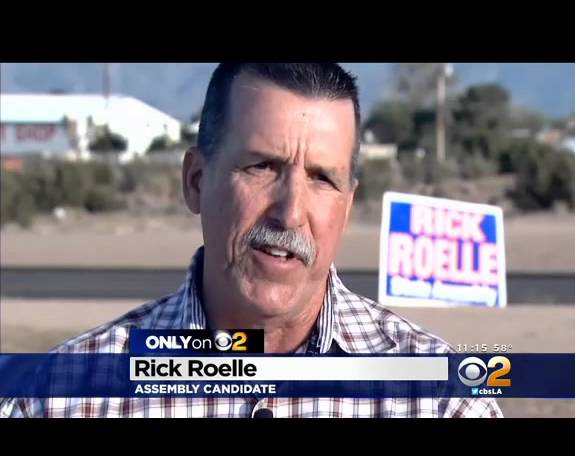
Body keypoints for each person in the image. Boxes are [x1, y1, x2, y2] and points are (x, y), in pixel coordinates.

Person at [0, 63, 502, 418]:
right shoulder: (60, 397)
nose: (290, 213)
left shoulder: (439, 399)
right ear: (196, 181)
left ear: (347, 207)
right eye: (262, 167)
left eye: (322, 178)